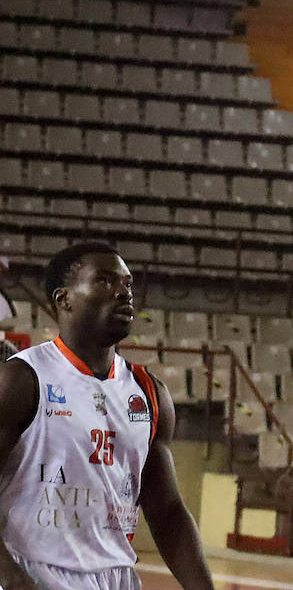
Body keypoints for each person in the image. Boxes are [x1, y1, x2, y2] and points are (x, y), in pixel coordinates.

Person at [0, 241, 214, 590]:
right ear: (64, 299)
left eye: (128, 284)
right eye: (104, 281)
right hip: (32, 572)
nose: (123, 293)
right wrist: (9, 575)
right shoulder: (22, 379)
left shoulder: (149, 392)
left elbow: (168, 511)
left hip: (116, 578)